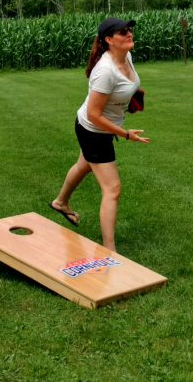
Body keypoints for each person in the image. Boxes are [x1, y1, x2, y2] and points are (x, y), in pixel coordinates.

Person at [49, 17, 149, 252]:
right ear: (108, 40)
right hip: (93, 131)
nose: (129, 34)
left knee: (84, 165)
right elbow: (94, 115)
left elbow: (120, 90)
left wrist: (129, 99)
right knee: (112, 188)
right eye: (122, 32)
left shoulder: (126, 57)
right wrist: (125, 133)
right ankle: (109, 250)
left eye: (130, 30)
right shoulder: (105, 71)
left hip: (99, 127)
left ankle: (60, 202)